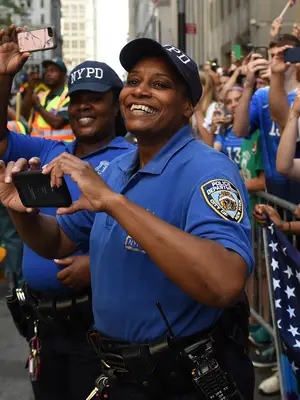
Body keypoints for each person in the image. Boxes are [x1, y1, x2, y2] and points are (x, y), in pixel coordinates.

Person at [0, 33, 255, 399]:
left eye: (160, 85)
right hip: (121, 376)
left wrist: (113, 202)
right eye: (133, 81)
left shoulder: (209, 171)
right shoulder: (117, 170)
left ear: (187, 107)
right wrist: (21, 213)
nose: (140, 91)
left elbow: (225, 282)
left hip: (181, 380)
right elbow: (55, 239)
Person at [0, 26, 134, 400]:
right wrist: (3, 77)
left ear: (116, 105)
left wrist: (98, 265)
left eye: (95, 98)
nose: (83, 106)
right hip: (43, 326)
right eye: (76, 100)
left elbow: (151, 237)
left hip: (98, 329)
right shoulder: (50, 153)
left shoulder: (134, 161)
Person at [234, 34, 300, 204]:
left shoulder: (298, 96)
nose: (274, 61)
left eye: (282, 55)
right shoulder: (262, 95)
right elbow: (239, 130)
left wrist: (276, 76)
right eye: (271, 56)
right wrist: (248, 85)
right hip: (273, 187)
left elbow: (285, 123)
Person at [21, 57, 74, 141]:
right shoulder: (41, 96)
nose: (48, 74)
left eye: (53, 70)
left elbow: (57, 122)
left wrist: (38, 106)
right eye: (47, 71)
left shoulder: (69, 95)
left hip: (61, 148)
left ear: (63, 74)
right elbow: (24, 115)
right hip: (38, 147)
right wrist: (30, 88)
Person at [213, 86, 244, 167]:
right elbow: (213, 154)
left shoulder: (256, 128)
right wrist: (213, 128)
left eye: (238, 100)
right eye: (229, 102)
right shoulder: (225, 129)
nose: (233, 105)